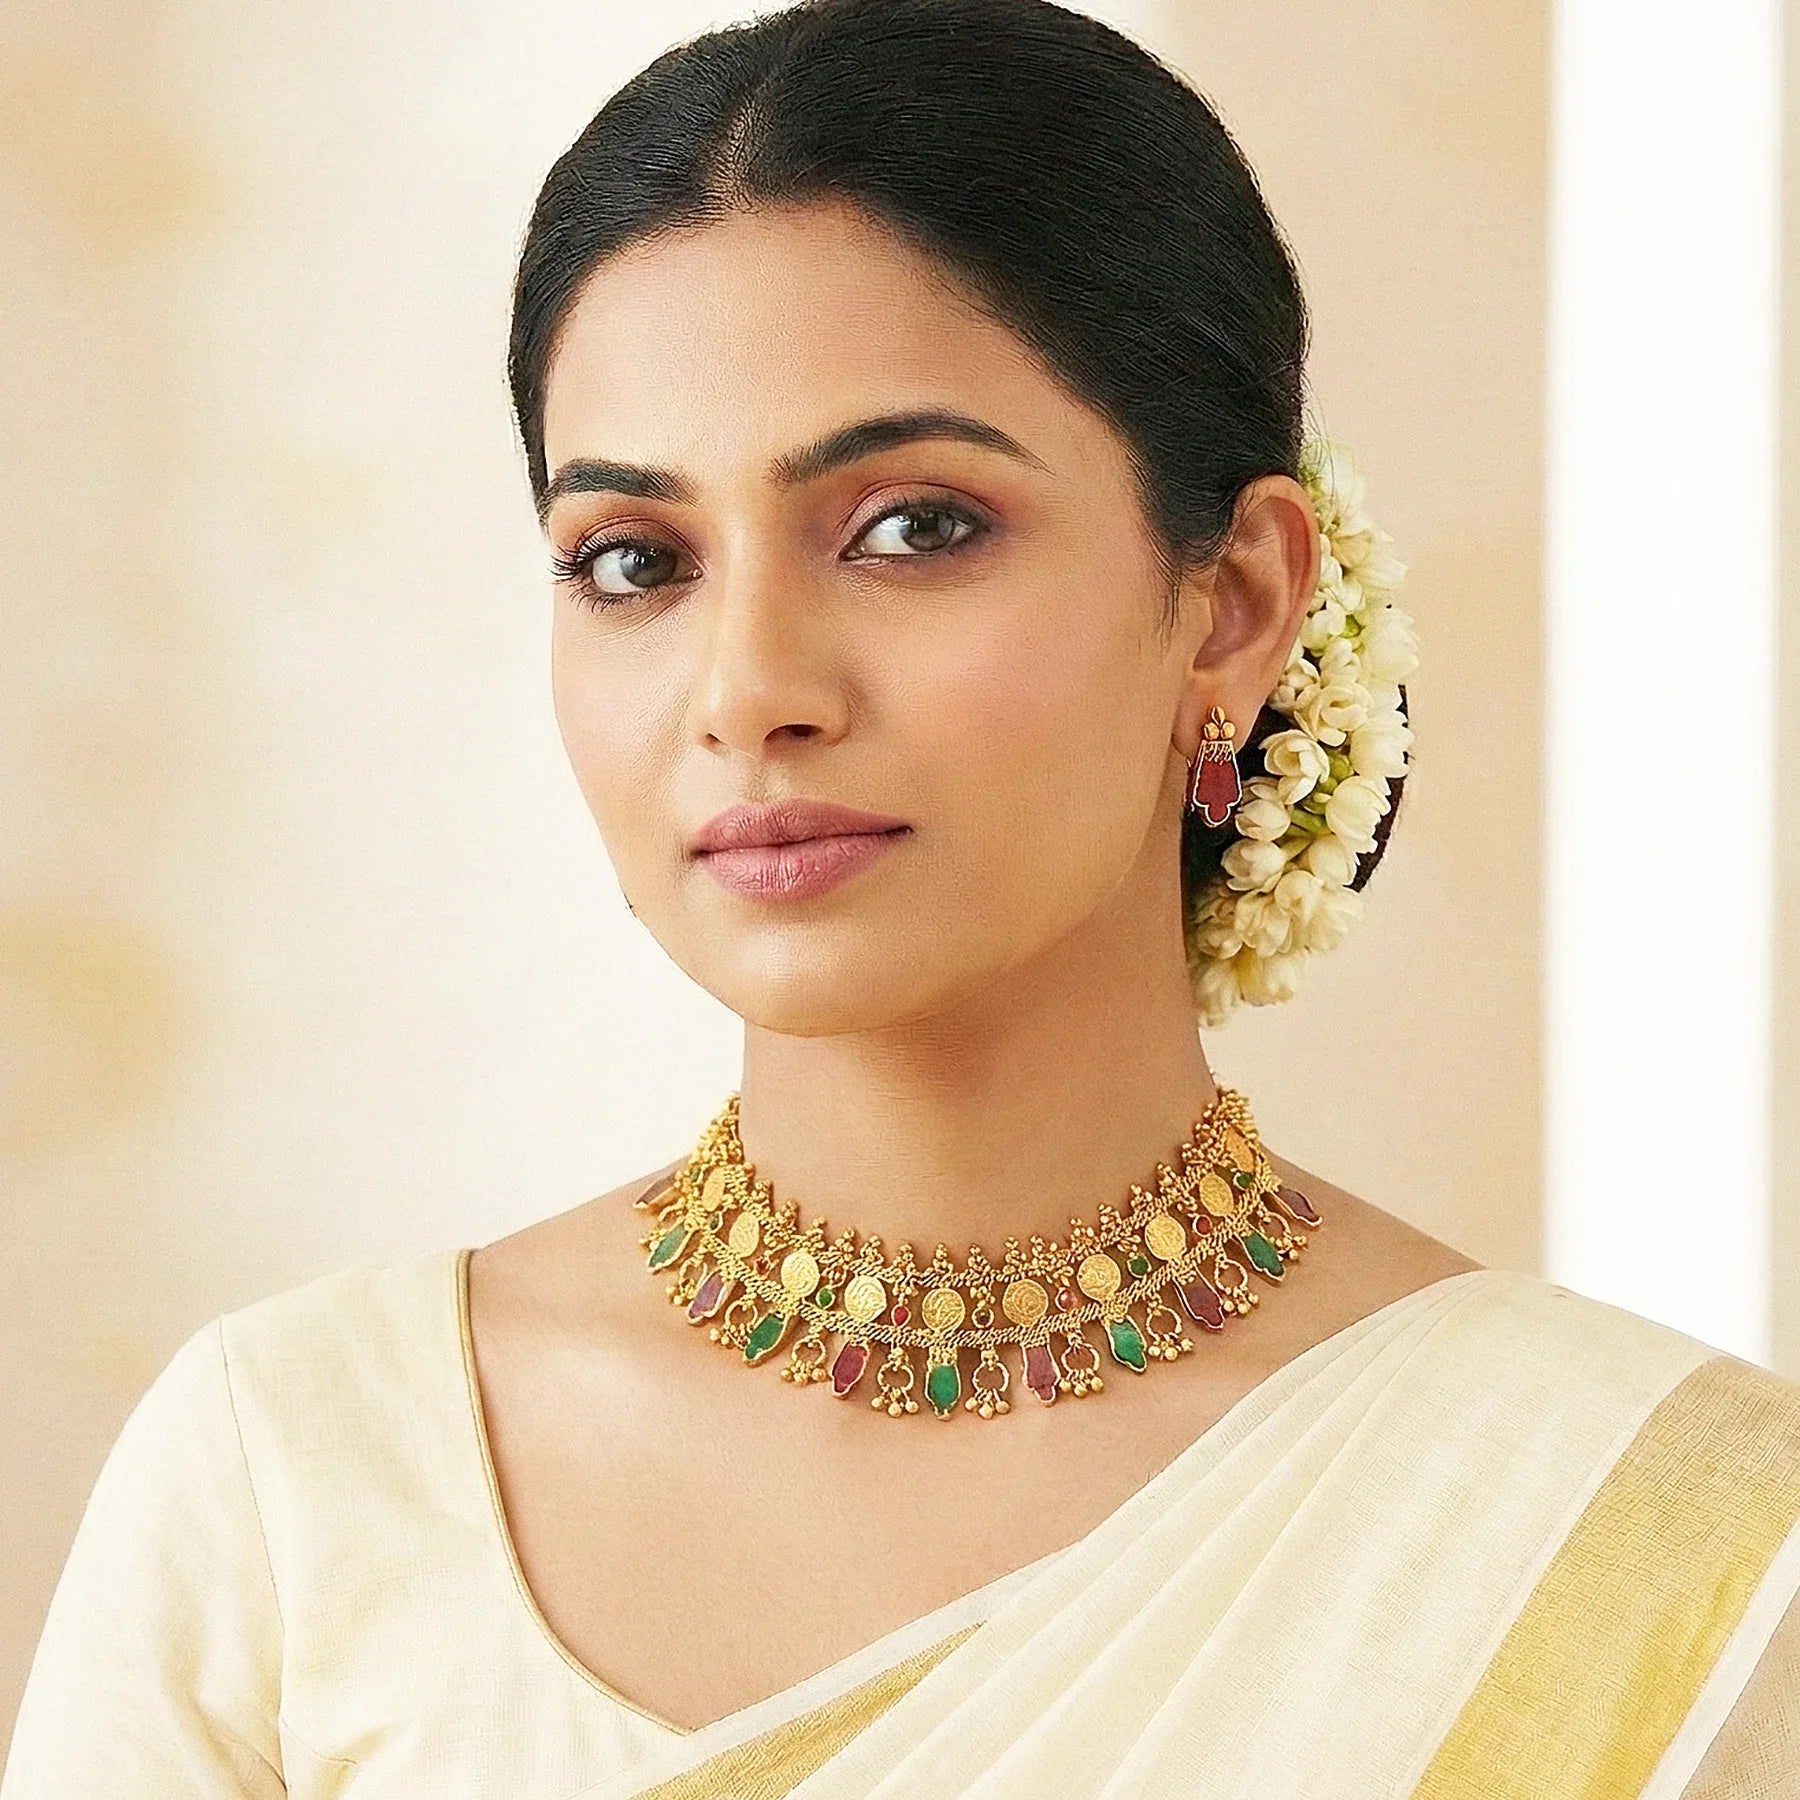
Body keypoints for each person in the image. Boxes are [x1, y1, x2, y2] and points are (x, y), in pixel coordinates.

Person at [7, 0, 1799, 1793]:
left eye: (912, 526)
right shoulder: (299, 1484)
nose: (749, 685)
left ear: (1236, 602)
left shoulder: (1663, 1534)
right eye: (633, 560)